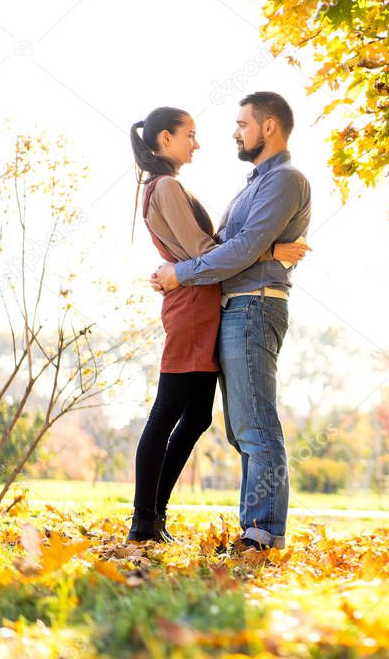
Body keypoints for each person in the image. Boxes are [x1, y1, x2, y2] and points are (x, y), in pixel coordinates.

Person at [128, 106, 306, 543]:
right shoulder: (167, 185)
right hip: (192, 305)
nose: (198, 142)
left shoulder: (170, 185)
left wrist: (253, 249)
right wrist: (268, 251)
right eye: (190, 134)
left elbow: (204, 252)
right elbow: (201, 250)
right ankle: (144, 519)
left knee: (194, 417)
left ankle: (153, 516)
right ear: (165, 139)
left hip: (204, 303)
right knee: (170, 411)